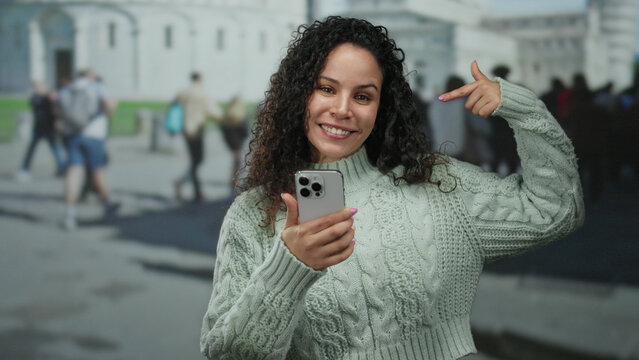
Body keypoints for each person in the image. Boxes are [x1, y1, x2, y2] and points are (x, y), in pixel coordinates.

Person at [200, 17, 584, 359]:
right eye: (326, 89)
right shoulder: (253, 214)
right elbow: (227, 353)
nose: (343, 109)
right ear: (298, 96)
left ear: (381, 108)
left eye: (363, 96)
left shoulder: (437, 185)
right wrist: (289, 268)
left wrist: (524, 110)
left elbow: (555, 210)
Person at [58, 70, 119, 230]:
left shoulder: (66, 89)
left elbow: (57, 111)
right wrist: (109, 115)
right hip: (93, 135)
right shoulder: (97, 87)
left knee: (73, 172)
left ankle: (70, 214)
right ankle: (107, 204)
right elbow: (110, 105)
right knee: (98, 171)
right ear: (90, 76)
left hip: (72, 134)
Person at [173, 72, 219, 202]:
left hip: (186, 129)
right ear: (199, 79)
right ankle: (189, 186)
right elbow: (212, 110)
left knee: (195, 159)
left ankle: (191, 187)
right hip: (197, 130)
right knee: (198, 159)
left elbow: (174, 104)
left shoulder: (185, 92)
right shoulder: (201, 93)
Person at [14, 81, 65, 182]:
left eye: (39, 86)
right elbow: (33, 104)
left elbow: (56, 108)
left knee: (55, 148)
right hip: (38, 128)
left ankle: (61, 168)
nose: (37, 89)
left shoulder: (49, 97)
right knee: (32, 149)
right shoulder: (35, 98)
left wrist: (52, 98)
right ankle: (25, 168)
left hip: (49, 128)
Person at [220, 95, 249, 187]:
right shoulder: (240, 117)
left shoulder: (227, 116)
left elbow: (223, 130)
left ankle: (233, 180)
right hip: (238, 143)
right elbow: (245, 132)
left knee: (235, 162)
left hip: (231, 143)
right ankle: (234, 180)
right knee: (238, 162)